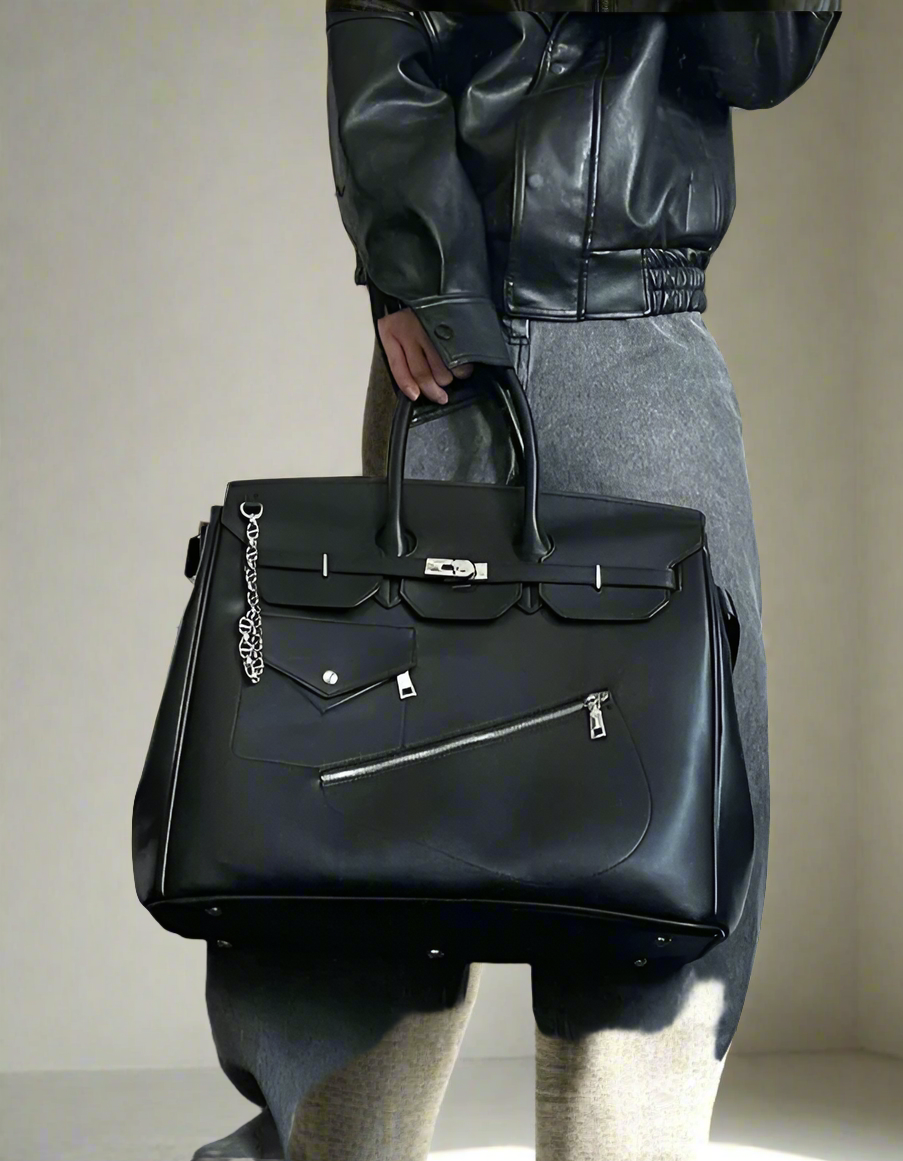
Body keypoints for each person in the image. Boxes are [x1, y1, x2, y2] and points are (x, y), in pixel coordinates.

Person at [193, 4, 840, 1159]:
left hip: (642, 336)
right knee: (377, 784)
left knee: (668, 793)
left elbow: (765, 51)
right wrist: (420, 271)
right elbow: (383, 27)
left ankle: (625, 1140)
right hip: (450, 338)